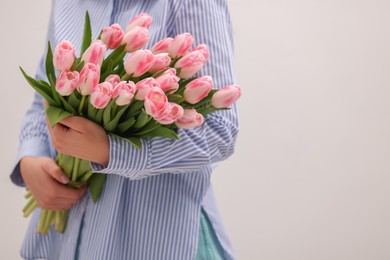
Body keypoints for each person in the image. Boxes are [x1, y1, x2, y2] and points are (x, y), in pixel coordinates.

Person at [11, 0, 239, 259]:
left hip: (156, 240)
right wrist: (31, 157)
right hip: (61, 240)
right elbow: (45, 91)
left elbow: (219, 130)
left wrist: (113, 151)